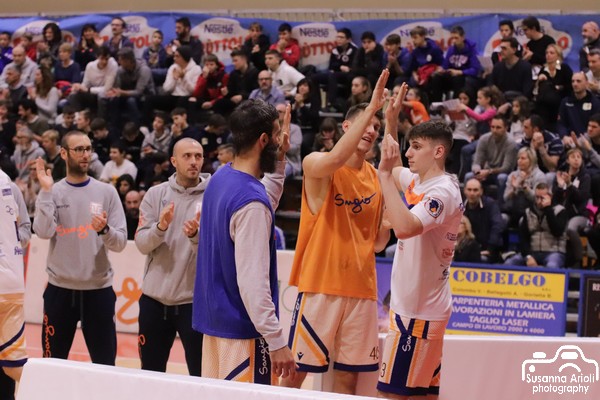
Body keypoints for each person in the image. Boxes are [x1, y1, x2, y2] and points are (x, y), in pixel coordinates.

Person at [282, 70, 392, 394]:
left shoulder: (376, 178)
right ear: (346, 126)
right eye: (366, 123)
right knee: (295, 374)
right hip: (321, 286)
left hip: (362, 289)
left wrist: (389, 221)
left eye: (376, 127)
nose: (371, 130)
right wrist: (371, 108)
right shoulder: (317, 162)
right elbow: (335, 158)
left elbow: (378, 244)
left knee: (348, 379)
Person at [192, 100, 297, 384]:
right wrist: (276, 340)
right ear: (263, 140)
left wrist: (279, 158)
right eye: (276, 135)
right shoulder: (251, 203)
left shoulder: (221, 178)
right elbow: (253, 283)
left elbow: (262, 201)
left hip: (215, 328)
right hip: (243, 334)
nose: (280, 140)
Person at [376, 117, 463, 398]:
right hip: (421, 310)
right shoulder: (419, 180)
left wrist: (383, 177)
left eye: (416, 146)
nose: (408, 152)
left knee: (390, 395)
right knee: (420, 396)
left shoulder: (442, 192)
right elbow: (394, 165)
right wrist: (390, 121)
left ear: (438, 152)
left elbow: (405, 228)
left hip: (417, 315)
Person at [33, 131, 127, 365]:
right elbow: (43, 232)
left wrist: (105, 230)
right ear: (64, 153)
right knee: (52, 365)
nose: (86, 154)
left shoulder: (107, 192)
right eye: (79, 149)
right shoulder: (52, 191)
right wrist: (45, 192)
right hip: (59, 291)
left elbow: (120, 242)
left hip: (98, 291)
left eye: (88, 149)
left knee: (105, 366)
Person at [135, 138, 208, 376]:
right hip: (154, 302)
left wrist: (195, 236)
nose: (194, 161)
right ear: (174, 161)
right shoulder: (155, 195)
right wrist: (160, 228)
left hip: (193, 304)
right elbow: (142, 244)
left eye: (198, 156)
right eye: (187, 156)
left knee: (200, 376)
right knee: (150, 374)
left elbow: (215, 255)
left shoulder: (213, 196)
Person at [0, 168, 31, 399]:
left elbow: (25, 230)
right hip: (11, 285)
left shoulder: (11, 188)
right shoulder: (8, 184)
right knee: (13, 365)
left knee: (11, 367)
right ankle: (51, 390)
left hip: (8, 283)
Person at [504, 182, 568, 269]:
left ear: (550, 196)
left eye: (542, 198)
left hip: (554, 252)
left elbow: (557, 232)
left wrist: (548, 209)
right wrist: (528, 256)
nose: (539, 201)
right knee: (509, 263)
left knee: (552, 266)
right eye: (537, 197)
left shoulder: (560, 211)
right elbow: (523, 239)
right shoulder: (528, 212)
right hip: (533, 252)